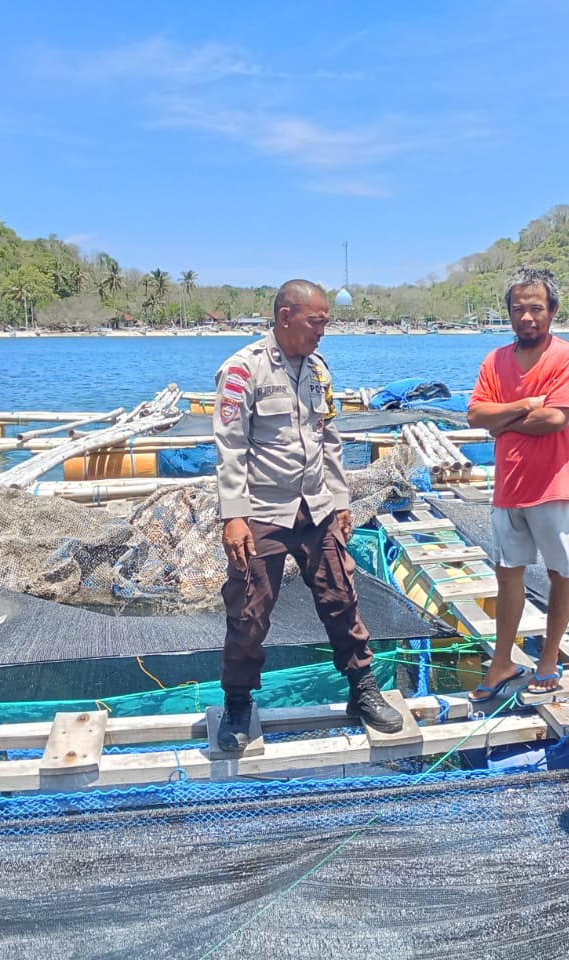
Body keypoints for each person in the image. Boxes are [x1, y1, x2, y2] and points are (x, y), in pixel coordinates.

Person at [213, 279, 403, 751]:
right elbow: (230, 448)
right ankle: (238, 702)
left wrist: (340, 501)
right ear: (285, 317)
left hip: (316, 508)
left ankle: (362, 690)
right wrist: (233, 516)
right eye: (316, 322)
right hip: (263, 510)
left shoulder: (319, 369)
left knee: (342, 598)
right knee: (250, 611)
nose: (323, 331)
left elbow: (329, 439)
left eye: (325, 322)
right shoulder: (242, 370)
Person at [466, 267, 569, 704]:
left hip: (553, 484)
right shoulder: (494, 361)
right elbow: (476, 416)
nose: (527, 317)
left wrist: (504, 421)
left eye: (536, 308)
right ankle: (502, 661)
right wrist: (522, 406)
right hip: (508, 487)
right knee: (507, 576)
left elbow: (555, 418)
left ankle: (549, 658)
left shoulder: (568, 357)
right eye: (518, 309)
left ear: (552, 310)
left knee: (561, 573)